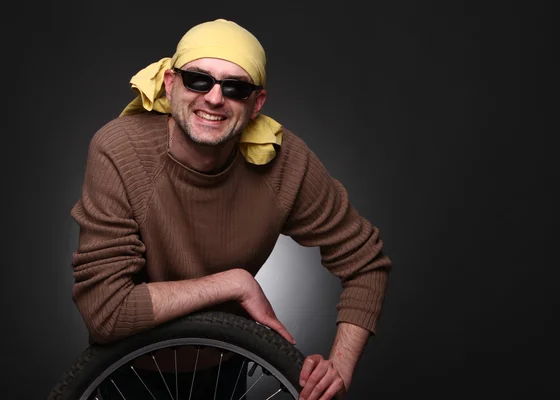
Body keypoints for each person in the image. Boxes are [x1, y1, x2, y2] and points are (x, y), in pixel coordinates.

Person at [70, 18, 392, 400]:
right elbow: (107, 311)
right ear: (171, 85)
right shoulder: (120, 150)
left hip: (230, 362)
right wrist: (233, 282)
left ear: (256, 104)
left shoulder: (286, 164)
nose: (214, 98)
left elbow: (366, 262)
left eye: (235, 88)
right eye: (198, 80)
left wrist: (338, 368)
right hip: (127, 366)